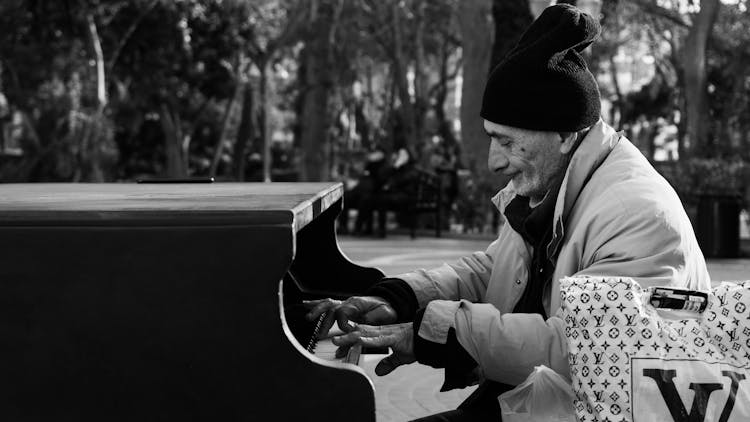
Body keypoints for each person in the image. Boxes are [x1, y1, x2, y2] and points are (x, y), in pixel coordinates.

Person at [305, 4, 710, 421]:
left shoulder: (636, 213)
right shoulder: (556, 184)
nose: (494, 162)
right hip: (542, 401)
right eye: (491, 139)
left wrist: (439, 334)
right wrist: (400, 299)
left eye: (508, 141)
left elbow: (587, 344)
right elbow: (492, 271)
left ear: (566, 135)